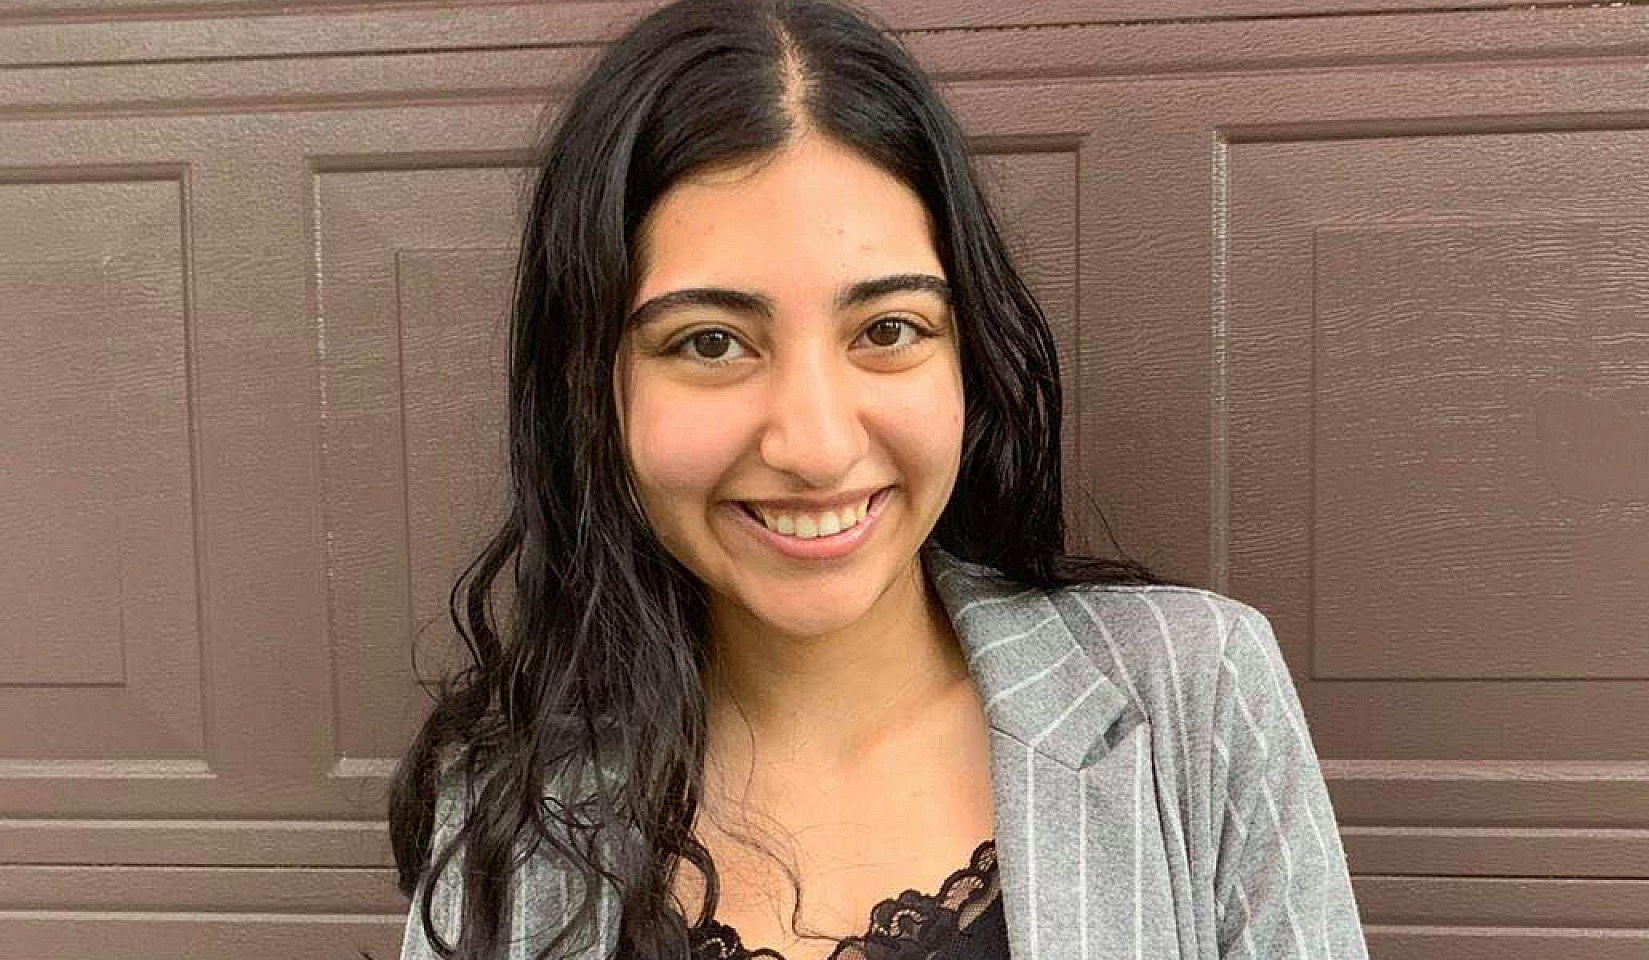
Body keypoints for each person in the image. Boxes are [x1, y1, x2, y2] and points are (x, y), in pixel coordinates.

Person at [387, 0, 1369, 958]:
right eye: (713, 341)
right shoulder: (510, 798)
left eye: (888, 330)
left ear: (966, 354)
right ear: (590, 385)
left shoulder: (1192, 697)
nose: (815, 445)